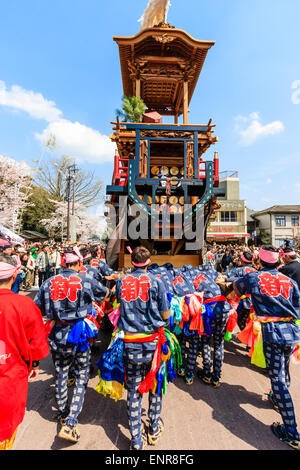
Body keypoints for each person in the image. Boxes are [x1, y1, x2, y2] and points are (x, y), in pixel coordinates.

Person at [34, 249, 110, 443]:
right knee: (82, 374)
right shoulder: (85, 280)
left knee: (61, 372)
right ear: (78, 264)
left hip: (57, 334)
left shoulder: (49, 282)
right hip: (80, 335)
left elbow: (38, 308)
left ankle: (62, 411)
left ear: (63, 264)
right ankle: (71, 420)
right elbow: (105, 293)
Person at [233, 245, 300, 450]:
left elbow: (237, 288)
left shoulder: (254, 277)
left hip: (273, 332)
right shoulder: (289, 281)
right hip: (292, 330)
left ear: (259, 261)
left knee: (277, 376)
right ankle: (278, 398)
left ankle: (292, 431)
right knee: (284, 369)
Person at [115, 246, 170, 450]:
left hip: (130, 342)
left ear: (131, 261)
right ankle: (154, 428)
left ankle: (136, 439)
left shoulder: (121, 282)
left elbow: (119, 305)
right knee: (155, 387)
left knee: (133, 390)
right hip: (154, 344)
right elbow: (165, 314)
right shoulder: (157, 281)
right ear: (149, 262)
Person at [0, 254, 49, 450]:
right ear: (13, 277)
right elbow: (36, 341)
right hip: (11, 376)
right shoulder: (24, 305)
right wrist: (35, 364)